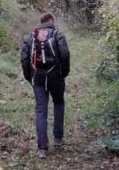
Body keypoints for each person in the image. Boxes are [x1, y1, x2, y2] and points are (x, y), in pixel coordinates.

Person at [21, 13, 70, 158]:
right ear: (51, 21)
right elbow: (65, 55)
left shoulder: (31, 36)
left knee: (41, 110)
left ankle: (42, 148)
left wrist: (29, 76)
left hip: (38, 77)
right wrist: (64, 73)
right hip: (56, 76)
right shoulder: (57, 34)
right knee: (59, 103)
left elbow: (24, 58)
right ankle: (58, 139)